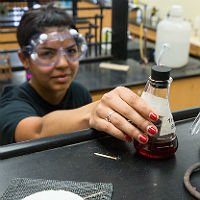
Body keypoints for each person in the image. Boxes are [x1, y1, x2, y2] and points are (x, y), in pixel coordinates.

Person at [0, 4, 159, 145]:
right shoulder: (10, 103)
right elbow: (37, 131)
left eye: (71, 51)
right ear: (24, 59)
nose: (63, 63)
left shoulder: (79, 93)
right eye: (47, 53)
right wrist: (91, 112)